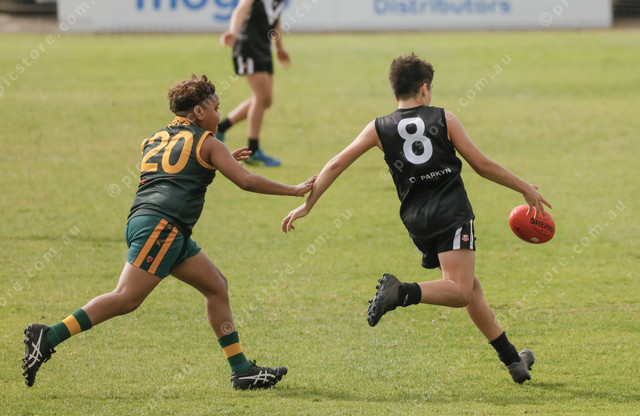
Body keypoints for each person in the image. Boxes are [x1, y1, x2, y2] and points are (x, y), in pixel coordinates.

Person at [22, 74, 316, 390]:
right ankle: (48, 335)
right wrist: (294, 190)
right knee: (126, 298)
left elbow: (174, 169)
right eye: (216, 108)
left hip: (148, 222)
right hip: (162, 228)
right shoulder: (209, 143)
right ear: (199, 112)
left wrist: (220, 160)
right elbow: (245, 180)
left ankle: (241, 370)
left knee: (216, 286)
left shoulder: (154, 138)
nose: (219, 116)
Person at [282, 53, 552, 384]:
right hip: (451, 214)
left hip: (417, 221)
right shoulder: (445, 118)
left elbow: (336, 163)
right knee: (460, 291)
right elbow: (482, 165)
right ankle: (401, 292)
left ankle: (513, 362)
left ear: (394, 90)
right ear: (425, 89)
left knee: (470, 287)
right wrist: (523, 187)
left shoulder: (378, 127)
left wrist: (308, 205)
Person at [217, 0, 290, 167]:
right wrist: (233, 32)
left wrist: (279, 48)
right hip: (248, 45)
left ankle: (221, 128)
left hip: (263, 47)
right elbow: (241, 9)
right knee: (261, 97)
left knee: (266, 100)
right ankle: (253, 149)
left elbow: (275, 19)